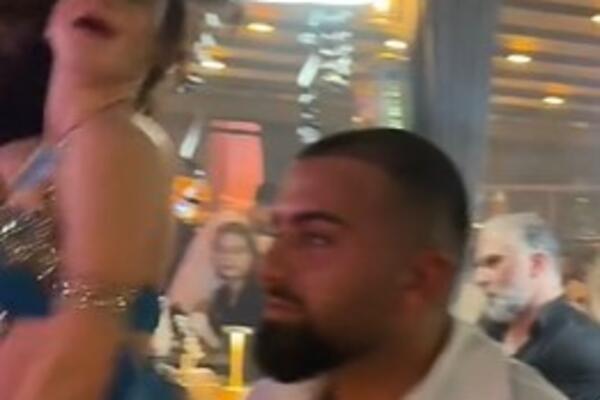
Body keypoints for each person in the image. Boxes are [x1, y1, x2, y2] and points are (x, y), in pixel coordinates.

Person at [249, 129, 564, 400]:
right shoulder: (275, 395)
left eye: (317, 239)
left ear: (421, 277)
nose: (269, 271)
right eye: (276, 232)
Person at [0, 0, 187, 398]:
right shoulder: (27, 157)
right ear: (50, 21)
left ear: (160, 46)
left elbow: (85, 343)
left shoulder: (117, 142)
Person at [475, 213, 600, 400]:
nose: (480, 278)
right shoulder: (486, 331)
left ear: (536, 264)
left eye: (494, 262)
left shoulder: (584, 348)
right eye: (477, 266)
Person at [208, 221, 264, 332]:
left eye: (237, 251)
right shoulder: (220, 295)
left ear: (252, 256)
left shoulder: (262, 296)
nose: (228, 257)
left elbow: (243, 343)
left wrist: (206, 332)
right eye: (222, 250)